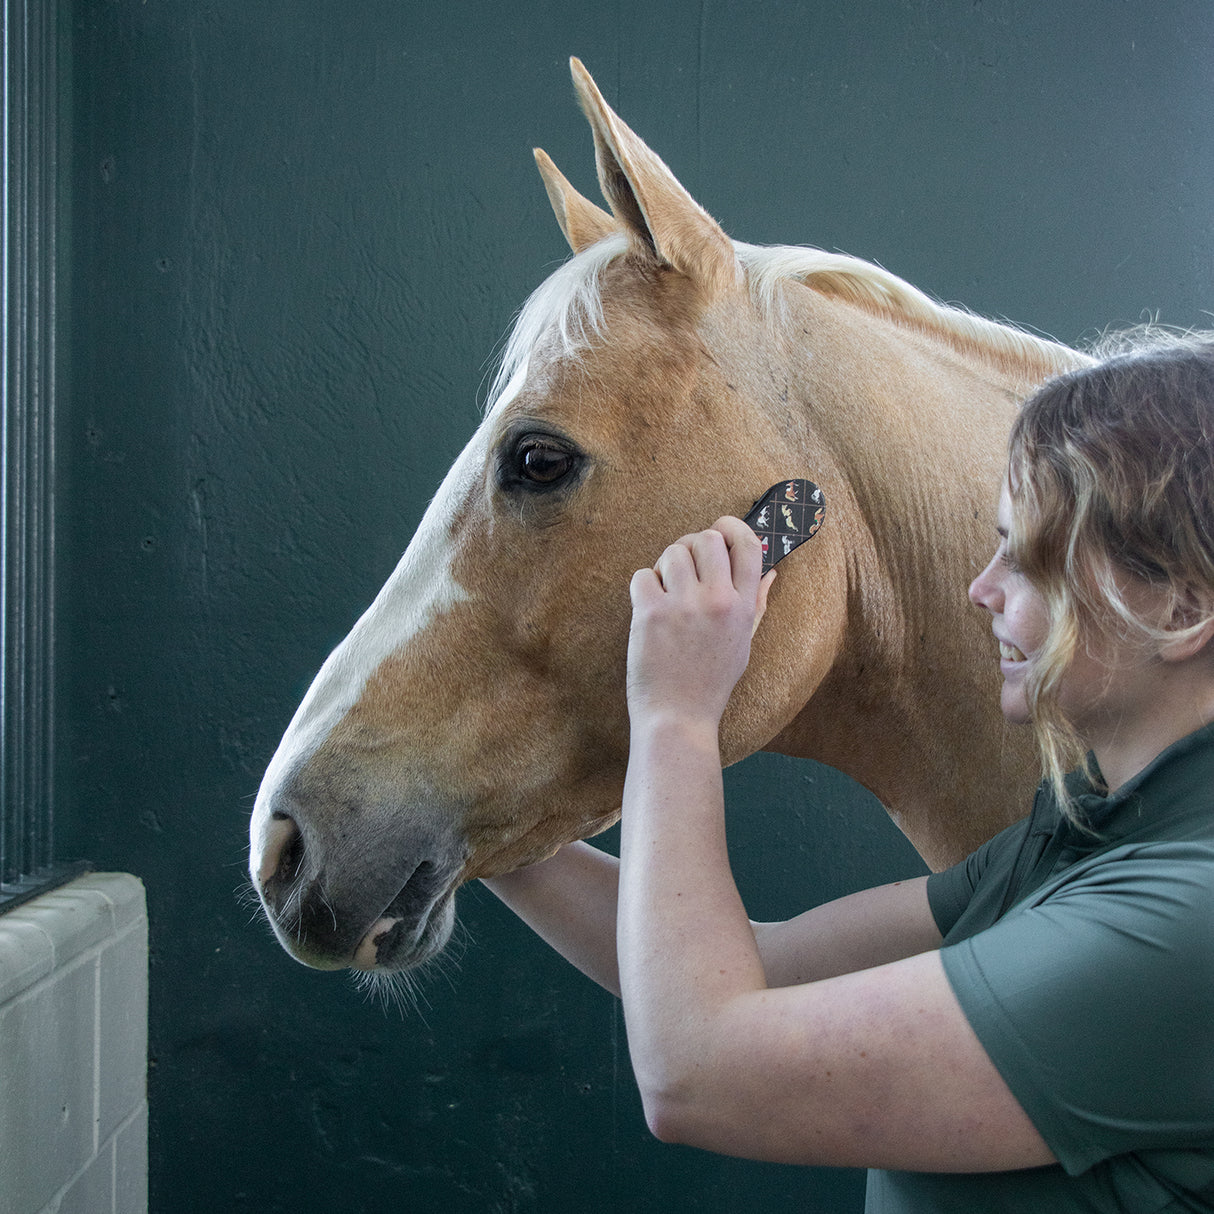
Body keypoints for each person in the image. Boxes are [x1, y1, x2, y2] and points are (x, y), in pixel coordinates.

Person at [484, 332, 1214, 1211]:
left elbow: (700, 1070)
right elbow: (758, 962)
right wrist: (472, 820)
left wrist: (677, 713)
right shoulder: (1089, 837)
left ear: (1182, 606)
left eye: (1027, 557)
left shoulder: (1184, 917)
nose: (980, 589)